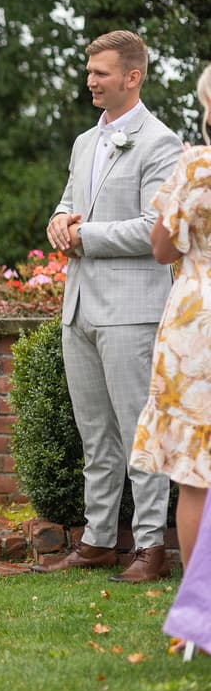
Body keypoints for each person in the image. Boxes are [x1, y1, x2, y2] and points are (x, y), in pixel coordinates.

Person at [35, 31, 182, 583]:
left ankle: (150, 548)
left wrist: (83, 235)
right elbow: (70, 205)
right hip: (80, 308)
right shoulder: (82, 143)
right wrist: (58, 222)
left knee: (138, 431)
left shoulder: (160, 143)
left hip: (133, 310)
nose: (90, 80)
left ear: (133, 76)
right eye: (89, 71)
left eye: (101, 72)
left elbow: (154, 230)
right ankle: (98, 539)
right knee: (94, 433)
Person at [129, 63, 211, 658]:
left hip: (196, 329)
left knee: (194, 472)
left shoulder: (196, 165)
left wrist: (175, 199)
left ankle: (201, 625)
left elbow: (161, 249)